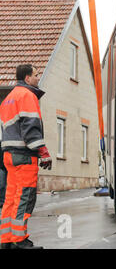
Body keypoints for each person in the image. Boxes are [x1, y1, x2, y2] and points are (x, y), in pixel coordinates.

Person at [0, 64, 52, 249]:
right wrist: (43, 152)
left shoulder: (8, 98)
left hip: (8, 155)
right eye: (36, 75)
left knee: (11, 197)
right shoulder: (27, 95)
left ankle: (6, 239)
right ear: (28, 78)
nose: (38, 78)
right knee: (25, 197)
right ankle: (20, 240)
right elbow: (30, 127)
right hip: (24, 156)